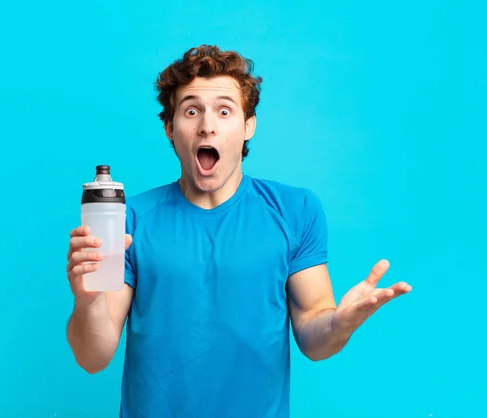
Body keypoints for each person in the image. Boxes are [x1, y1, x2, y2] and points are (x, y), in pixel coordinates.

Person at [65, 45, 412, 417]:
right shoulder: (130, 219)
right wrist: (86, 304)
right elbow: (93, 357)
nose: (207, 125)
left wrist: (341, 324)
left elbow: (315, 337)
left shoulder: (295, 210)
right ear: (170, 127)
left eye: (225, 111)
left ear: (248, 126)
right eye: (191, 110)